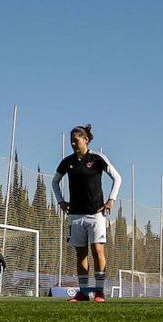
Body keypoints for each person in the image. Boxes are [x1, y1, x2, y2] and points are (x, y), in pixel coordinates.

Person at [51, 124, 121, 302]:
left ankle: (99, 291)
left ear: (86, 140)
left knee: (98, 251)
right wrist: (60, 200)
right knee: (80, 254)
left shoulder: (97, 158)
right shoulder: (68, 161)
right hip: (75, 215)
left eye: (76, 140)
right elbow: (55, 182)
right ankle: (83, 292)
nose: (73, 144)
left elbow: (117, 178)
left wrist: (111, 200)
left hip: (96, 214)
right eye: (71, 141)